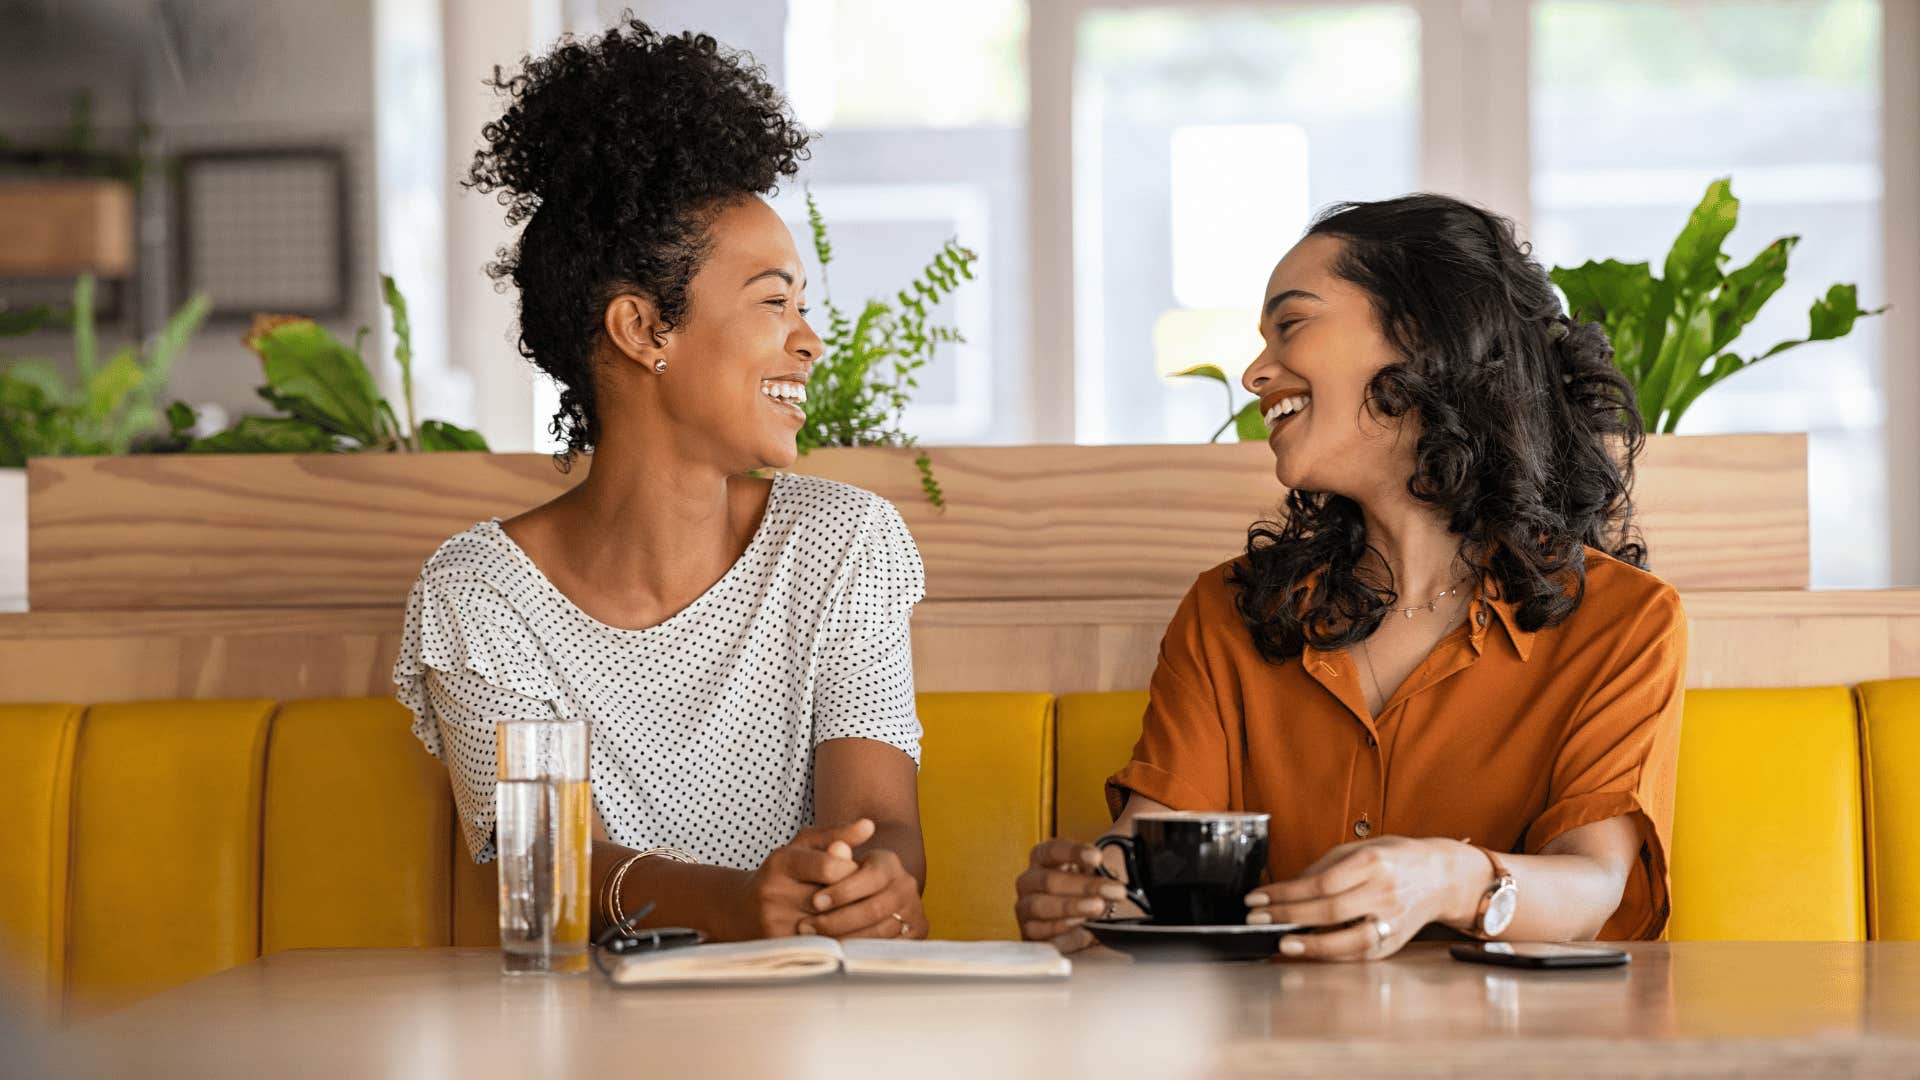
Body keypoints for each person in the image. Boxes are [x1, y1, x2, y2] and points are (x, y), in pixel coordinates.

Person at [1016, 194, 1685, 961]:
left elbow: (1592, 886)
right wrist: (1086, 897)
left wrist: (1447, 877)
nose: (1255, 372)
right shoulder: (1225, 613)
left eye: (1291, 325)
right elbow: (1141, 868)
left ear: (1426, 334)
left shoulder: (1625, 621)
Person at [394, 17, 927, 944]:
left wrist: (872, 883)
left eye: (805, 305)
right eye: (773, 302)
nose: (809, 340)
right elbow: (547, 872)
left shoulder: (844, 543)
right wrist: (738, 906)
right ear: (644, 331)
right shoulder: (479, 596)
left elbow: (887, 824)